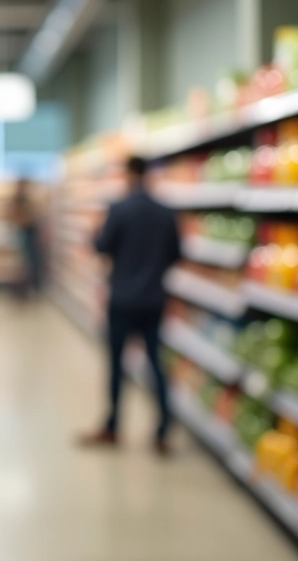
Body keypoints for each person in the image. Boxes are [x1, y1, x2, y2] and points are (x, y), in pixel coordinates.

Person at [80, 156, 181, 455]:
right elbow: (176, 254)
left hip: (122, 298)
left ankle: (112, 427)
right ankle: (162, 431)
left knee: (116, 363)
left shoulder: (118, 209)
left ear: (127, 175)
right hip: (153, 298)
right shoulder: (166, 212)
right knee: (155, 363)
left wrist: (94, 231)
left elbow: (102, 247)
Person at [11, 177, 43, 299]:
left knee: (29, 262)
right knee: (28, 262)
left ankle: (26, 288)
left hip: (27, 233)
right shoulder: (19, 200)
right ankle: (23, 289)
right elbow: (19, 218)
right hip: (26, 233)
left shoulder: (24, 199)